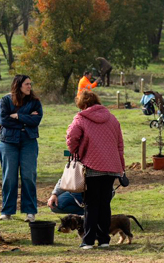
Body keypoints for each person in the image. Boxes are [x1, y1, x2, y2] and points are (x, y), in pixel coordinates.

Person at [66, 89, 126, 249]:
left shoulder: (80, 118)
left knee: (91, 205)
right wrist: (121, 167)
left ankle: (88, 241)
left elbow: (71, 138)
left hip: (92, 166)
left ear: (84, 105)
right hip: (111, 167)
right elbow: (120, 144)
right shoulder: (112, 119)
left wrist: (76, 152)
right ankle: (104, 240)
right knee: (105, 205)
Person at [0, 74, 43, 222]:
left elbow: (36, 120)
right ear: (18, 86)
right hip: (8, 142)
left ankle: (30, 211)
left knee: (29, 176)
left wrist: (18, 116)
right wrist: (25, 119)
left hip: (28, 141)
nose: (30, 86)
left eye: (30, 84)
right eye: (27, 84)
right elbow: (4, 120)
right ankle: (7, 211)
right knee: (9, 177)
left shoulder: (35, 102)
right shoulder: (5, 100)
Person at [46, 174, 116, 215]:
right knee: (54, 205)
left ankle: (93, 213)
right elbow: (66, 177)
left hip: (98, 192)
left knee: (93, 207)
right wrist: (54, 194)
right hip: (79, 191)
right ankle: (92, 213)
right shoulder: (77, 159)